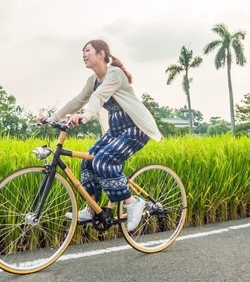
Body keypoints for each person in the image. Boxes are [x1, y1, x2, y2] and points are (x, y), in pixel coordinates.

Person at [38, 39, 162, 231]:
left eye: (87, 50)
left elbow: (99, 96)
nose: (84, 55)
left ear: (101, 54)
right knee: (87, 161)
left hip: (135, 128)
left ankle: (133, 202)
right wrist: (52, 117)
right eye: (82, 52)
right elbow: (77, 100)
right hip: (115, 131)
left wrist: (87, 115)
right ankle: (92, 208)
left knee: (102, 161)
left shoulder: (115, 73)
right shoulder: (92, 81)